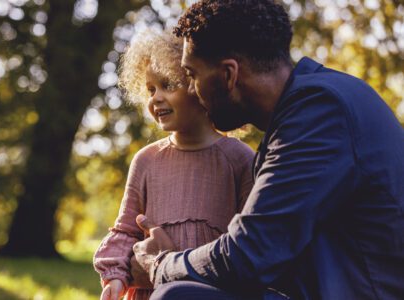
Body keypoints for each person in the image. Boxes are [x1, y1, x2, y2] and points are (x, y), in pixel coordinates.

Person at [131, 0, 404, 299]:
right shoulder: (302, 113)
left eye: (192, 75)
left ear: (228, 75)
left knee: (175, 296)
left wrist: (161, 265)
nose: (193, 90)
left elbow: (248, 254)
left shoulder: (320, 112)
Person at [92, 29, 255, 300]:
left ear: (199, 86)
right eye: (150, 89)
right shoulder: (146, 160)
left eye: (168, 85)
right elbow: (126, 230)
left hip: (208, 291)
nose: (155, 98)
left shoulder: (238, 159)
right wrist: (115, 276)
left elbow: (250, 241)